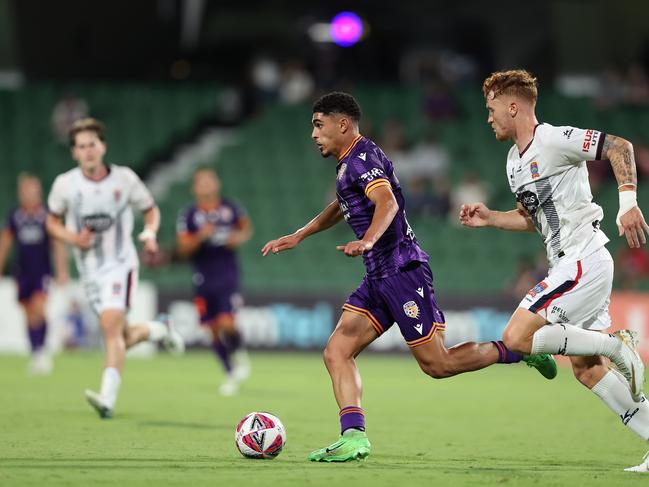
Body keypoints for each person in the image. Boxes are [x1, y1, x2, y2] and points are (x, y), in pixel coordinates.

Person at [262, 92, 557, 463]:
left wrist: (367, 239)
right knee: (337, 351)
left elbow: (388, 203)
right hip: (377, 275)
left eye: (318, 125)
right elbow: (342, 205)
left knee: (438, 365)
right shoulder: (348, 164)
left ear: (343, 125)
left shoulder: (363, 158)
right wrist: (300, 234)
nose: (313, 134)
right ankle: (354, 437)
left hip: (402, 269)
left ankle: (517, 350)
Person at [459, 69, 649, 472]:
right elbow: (535, 219)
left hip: (583, 259)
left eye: (491, 108)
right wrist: (491, 217)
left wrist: (627, 203)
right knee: (586, 370)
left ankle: (617, 345)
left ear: (514, 106)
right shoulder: (514, 161)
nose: (488, 117)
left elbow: (620, 147)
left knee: (516, 337)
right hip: (572, 263)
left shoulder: (554, 139)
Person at [46, 118, 185, 419]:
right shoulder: (65, 185)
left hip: (120, 263)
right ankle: (160, 328)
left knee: (110, 327)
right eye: (81, 146)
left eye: (92, 144)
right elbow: (51, 222)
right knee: (120, 333)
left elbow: (150, 209)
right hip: (90, 270)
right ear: (74, 153)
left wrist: (149, 233)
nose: (88, 151)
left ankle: (107, 399)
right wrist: (73, 238)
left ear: (103, 146)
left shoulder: (124, 179)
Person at [177, 167, 253, 396]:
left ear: (217, 184)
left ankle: (239, 355)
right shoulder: (189, 215)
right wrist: (201, 236)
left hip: (227, 273)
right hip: (202, 276)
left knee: (227, 323)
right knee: (211, 329)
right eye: (201, 182)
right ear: (194, 188)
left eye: (210, 180)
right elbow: (183, 249)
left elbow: (246, 229)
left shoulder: (230, 208)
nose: (207, 185)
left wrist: (237, 238)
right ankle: (229, 372)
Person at [0, 173, 69, 374]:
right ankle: (35, 352)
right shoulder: (15, 215)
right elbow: (5, 242)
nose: (29, 194)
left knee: (39, 308)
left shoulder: (46, 215)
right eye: (25, 190)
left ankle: (42, 352)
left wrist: (62, 270)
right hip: (21, 271)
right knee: (29, 313)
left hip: (42, 270)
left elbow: (57, 244)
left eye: (32, 190)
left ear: (38, 192)